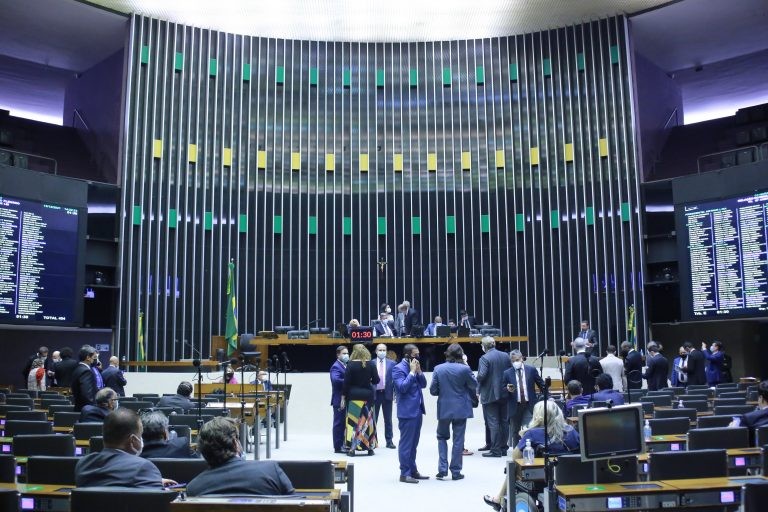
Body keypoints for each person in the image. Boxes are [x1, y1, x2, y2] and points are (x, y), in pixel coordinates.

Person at [483, 400, 579, 511]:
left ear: (538, 416)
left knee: (512, 467)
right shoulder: (572, 431)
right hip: (571, 476)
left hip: (541, 479)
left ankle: (498, 499)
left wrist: (523, 436)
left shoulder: (532, 433)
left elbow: (515, 457)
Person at [186, 417, 294, 496]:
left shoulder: (194, 489)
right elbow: (296, 507)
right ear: (235, 444)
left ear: (202, 450)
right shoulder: (271, 471)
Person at [75, 409, 175, 488]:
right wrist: (152, 481)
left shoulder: (83, 464)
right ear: (133, 440)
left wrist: (151, 481)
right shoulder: (143, 467)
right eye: (140, 435)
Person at [429, 343, 477, 481]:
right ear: (461, 354)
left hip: (444, 407)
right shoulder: (465, 369)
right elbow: (474, 385)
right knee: (458, 440)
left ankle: (442, 469)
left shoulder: (438, 368)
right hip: (461, 408)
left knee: (441, 437)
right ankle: (456, 471)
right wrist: (466, 365)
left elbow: (433, 391)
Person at [392, 343, 428, 483]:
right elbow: (402, 388)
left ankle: (413, 470)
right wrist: (412, 372)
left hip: (418, 410)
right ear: (407, 355)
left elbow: (424, 384)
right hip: (407, 412)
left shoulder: (416, 366)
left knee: (414, 444)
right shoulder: (398, 369)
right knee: (406, 444)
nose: (417, 356)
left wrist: (418, 372)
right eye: (415, 354)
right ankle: (404, 473)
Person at [342, 343, 380, 455]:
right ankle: (370, 448)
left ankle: (352, 449)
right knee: (367, 422)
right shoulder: (371, 364)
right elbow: (376, 380)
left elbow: (346, 383)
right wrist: (369, 381)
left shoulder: (350, 364)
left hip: (353, 397)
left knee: (353, 423)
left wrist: (343, 396)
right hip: (368, 396)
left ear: (354, 352)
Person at [477, 336, 511, 457]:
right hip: (504, 392)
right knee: (504, 421)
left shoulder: (484, 358)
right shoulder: (505, 355)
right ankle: (503, 448)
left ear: (484, 346)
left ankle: (495, 450)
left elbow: (481, 375)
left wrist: (476, 378)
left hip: (490, 394)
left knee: (493, 422)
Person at [503, 349, 545, 447]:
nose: (515, 362)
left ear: (522, 359)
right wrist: (507, 389)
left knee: (530, 428)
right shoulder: (507, 373)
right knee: (515, 431)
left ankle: (532, 450)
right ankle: (516, 453)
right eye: (513, 361)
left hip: (529, 404)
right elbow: (502, 388)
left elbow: (541, 384)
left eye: (517, 360)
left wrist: (549, 396)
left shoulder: (531, 370)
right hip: (514, 405)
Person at [372, 343, 396, 449]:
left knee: (388, 419)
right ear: (376, 351)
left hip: (387, 393)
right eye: (380, 350)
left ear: (386, 351)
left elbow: (395, 380)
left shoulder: (392, 363)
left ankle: (389, 440)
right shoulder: (371, 363)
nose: (382, 352)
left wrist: (395, 393)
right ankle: (372, 441)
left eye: (384, 350)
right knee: (373, 419)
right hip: (375, 394)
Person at [330, 345, 349, 453]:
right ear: (338, 355)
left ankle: (343, 443)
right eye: (344, 353)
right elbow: (336, 380)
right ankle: (337, 446)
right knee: (339, 423)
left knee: (343, 423)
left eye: (347, 353)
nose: (346, 355)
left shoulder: (345, 365)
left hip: (345, 398)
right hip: (338, 399)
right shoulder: (336, 366)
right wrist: (349, 381)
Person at [71, 345, 99, 411]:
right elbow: (87, 395)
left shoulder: (78, 369)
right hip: (86, 410)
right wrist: (94, 409)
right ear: (88, 358)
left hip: (79, 407)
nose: (95, 359)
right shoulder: (86, 371)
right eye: (94, 357)